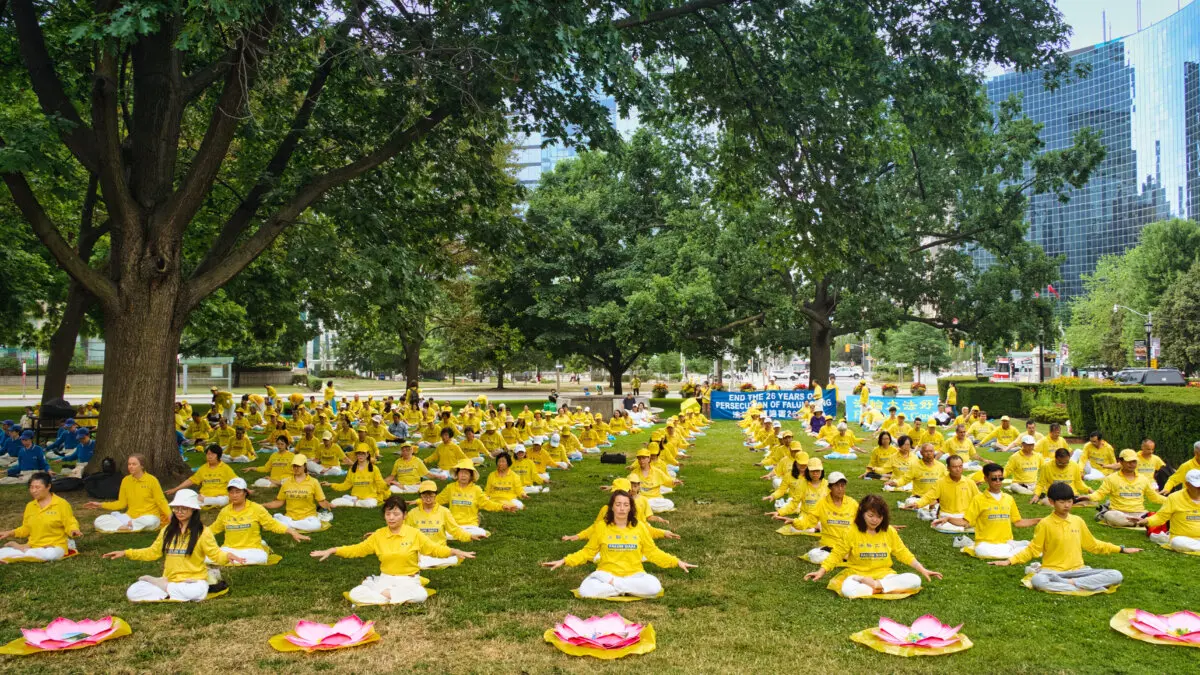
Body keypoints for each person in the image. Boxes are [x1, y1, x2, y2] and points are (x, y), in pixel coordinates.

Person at [311, 495, 475, 604]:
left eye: (396, 514)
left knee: (421, 596)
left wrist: (454, 551)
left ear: (404, 515)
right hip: (386, 579)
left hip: (408, 580)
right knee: (355, 593)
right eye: (388, 514)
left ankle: (378, 592)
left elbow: (434, 550)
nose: (391, 518)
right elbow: (357, 550)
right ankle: (386, 593)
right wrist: (333, 550)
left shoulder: (414, 534)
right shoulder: (378, 535)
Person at [542, 490, 697, 598]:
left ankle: (616, 586)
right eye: (618, 504)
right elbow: (587, 552)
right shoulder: (602, 527)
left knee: (654, 587)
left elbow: (652, 553)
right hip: (607, 572)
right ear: (612, 507)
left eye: (625, 505)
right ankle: (623, 587)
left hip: (633, 574)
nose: (622, 508)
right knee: (585, 590)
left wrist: (676, 561)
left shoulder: (640, 527)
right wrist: (564, 560)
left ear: (631, 508)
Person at [990, 481, 1140, 593]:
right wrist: (1009, 561)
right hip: (1053, 573)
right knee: (1038, 580)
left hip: (1078, 571)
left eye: (1069, 501)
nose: (1067, 505)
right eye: (1062, 502)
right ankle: (1082, 585)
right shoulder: (1045, 524)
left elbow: (1093, 545)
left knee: (1116, 574)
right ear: (1051, 502)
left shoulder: (1077, 521)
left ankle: (1073, 584)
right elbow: (1033, 550)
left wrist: (1121, 549)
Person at [103, 489, 245, 601]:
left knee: (198, 591)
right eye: (176, 508)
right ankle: (168, 590)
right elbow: (153, 552)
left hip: (193, 581)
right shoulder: (167, 530)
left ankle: (166, 590)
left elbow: (215, 554)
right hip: (170, 580)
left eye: (184, 508)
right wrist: (126, 552)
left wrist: (228, 556)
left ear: (193, 510)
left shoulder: (203, 532)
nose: (179, 512)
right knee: (133, 591)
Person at [805, 495, 942, 598]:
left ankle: (877, 587)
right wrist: (821, 572)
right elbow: (837, 555)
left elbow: (903, 553)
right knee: (847, 590)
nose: (874, 520)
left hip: (884, 576)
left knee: (915, 580)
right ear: (862, 514)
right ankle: (880, 587)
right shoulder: (851, 531)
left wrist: (922, 569)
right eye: (870, 516)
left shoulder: (889, 531)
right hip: (858, 575)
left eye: (879, 517)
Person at [935, 463, 1040, 559]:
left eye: (1000, 478)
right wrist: (948, 518)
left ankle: (1016, 548)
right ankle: (1020, 549)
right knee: (981, 551)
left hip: (1006, 542)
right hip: (986, 544)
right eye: (994, 479)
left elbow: (1018, 522)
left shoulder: (1009, 498)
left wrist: (1038, 520)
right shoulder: (978, 499)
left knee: (1030, 548)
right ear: (986, 479)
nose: (998, 481)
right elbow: (965, 522)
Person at [208, 477, 310, 564]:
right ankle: (232, 558)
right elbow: (214, 528)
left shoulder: (256, 508)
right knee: (204, 557)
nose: (234, 495)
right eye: (231, 492)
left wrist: (292, 531)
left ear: (245, 493)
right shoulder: (225, 511)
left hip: (251, 549)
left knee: (261, 558)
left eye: (238, 492)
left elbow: (272, 524)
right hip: (229, 549)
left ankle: (232, 559)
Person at [0, 472, 81, 561]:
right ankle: (24, 551)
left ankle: (20, 550)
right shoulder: (30, 506)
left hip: (54, 546)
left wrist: (74, 530)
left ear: (48, 487)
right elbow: (26, 529)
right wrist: (9, 533)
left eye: (37, 487)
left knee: (50, 555)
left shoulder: (61, 504)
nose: (33, 491)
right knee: (2, 553)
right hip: (34, 546)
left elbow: (70, 522)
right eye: (31, 487)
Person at [406, 481, 486, 568]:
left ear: (436, 495)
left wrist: (470, 536)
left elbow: (455, 530)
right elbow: (406, 533)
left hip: (440, 550)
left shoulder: (444, 511)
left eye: (431, 496)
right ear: (420, 496)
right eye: (425, 496)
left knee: (450, 558)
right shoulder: (412, 513)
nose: (428, 499)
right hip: (420, 551)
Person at [86, 454, 170, 533]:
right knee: (99, 520)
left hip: (149, 516)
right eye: (129, 464)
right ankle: (127, 527)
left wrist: (170, 515)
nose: (131, 466)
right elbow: (121, 504)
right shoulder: (126, 480)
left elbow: (161, 501)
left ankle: (124, 526)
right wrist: (100, 505)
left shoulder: (152, 480)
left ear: (142, 466)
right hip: (130, 517)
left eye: (134, 464)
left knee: (150, 522)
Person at [1086, 449, 1166, 527]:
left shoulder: (1143, 479)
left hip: (1140, 513)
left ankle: (1138, 521)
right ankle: (1140, 523)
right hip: (1119, 513)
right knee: (1109, 515)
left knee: (1161, 516)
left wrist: (1170, 499)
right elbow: (1100, 494)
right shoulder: (1111, 478)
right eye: (1129, 462)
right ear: (1120, 462)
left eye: (1134, 462)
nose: (1132, 464)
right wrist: (1088, 497)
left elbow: (1154, 497)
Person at [437, 459, 517, 537]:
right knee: (441, 532)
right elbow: (438, 500)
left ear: (471, 476)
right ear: (457, 475)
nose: (463, 475)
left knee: (479, 532)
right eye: (461, 473)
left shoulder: (476, 489)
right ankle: (463, 534)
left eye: (466, 473)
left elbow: (487, 503)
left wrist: (502, 506)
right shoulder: (450, 488)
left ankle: (465, 534)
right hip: (453, 524)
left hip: (470, 525)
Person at [903, 455, 978, 531]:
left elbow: (979, 499)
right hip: (947, 514)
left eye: (960, 466)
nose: (958, 469)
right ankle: (963, 526)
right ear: (948, 468)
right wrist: (917, 504)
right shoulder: (940, 483)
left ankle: (963, 525)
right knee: (944, 525)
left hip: (965, 515)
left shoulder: (970, 482)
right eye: (954, 467)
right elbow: (929, 496)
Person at [261, 455, 332, 532]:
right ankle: (294, 523)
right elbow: (279, 501)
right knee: (268, 525)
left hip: (309, 516)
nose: (296, 468)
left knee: (316, 525)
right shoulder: (286, 482)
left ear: (305, 466)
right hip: (290, 516)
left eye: (298, 466)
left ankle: (289, 524)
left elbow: (321, 500)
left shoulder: (314, 482)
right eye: (294, 466)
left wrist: (328, 504)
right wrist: (264, 505)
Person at [1141, 469, 1200, 553]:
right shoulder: (1174, 498)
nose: (1199, 489)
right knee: (1177, 542)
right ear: (1187, 485)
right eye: (1196, 486)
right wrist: (1146, 521)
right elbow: (1161, 517)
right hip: (1183, 538)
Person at [166, 445, 237, 507]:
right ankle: (205, 502)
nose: (209, 456)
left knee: (224, 500)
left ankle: (205, 501)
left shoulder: (225, 468)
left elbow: (236, 481)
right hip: (204, 495)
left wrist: (246, 491)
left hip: (219, 496)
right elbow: (191, 480)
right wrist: (175, 489)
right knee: (185, 495)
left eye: (212, 454)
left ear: (218, 455)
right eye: (208, 454)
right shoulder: (203, 468)